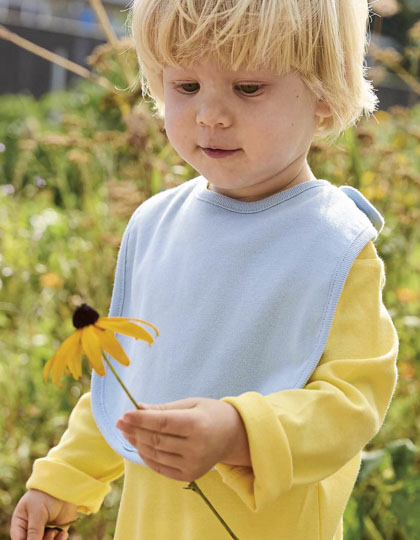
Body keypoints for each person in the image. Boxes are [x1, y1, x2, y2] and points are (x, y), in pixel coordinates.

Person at [11, 0, 399, 539]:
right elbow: (131, 383)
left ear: (324, 97)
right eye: (187, 86)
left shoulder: (333, 242)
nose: (210, 114)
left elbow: (353, 404)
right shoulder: (156, 226)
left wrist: (240, 431)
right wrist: (63, 481)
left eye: (249, 87)